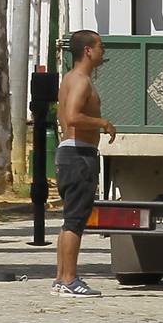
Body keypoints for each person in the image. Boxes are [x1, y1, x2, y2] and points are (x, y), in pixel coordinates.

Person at [53, 29, 116, 298]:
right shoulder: (81, 81)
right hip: (79, 155)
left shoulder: (69, 79)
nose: (103, 51)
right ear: (88, 51)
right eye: (100, 46)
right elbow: (72, 116)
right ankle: (69, 279)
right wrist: (102, 123)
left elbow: (61, 115)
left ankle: (60, 278)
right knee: (76, 220)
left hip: (69, 152)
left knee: (70, 219)